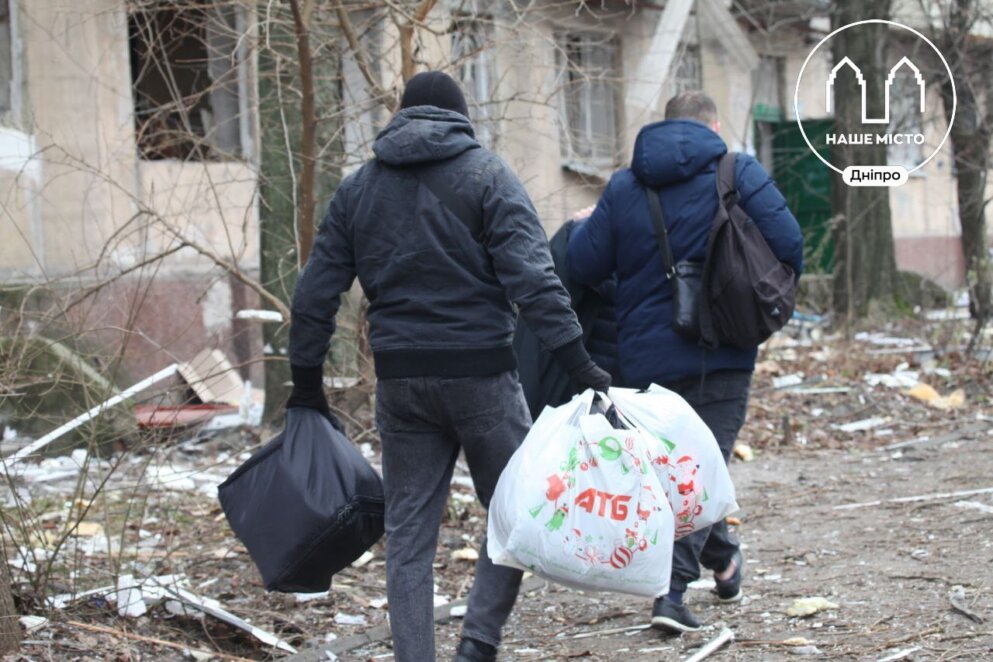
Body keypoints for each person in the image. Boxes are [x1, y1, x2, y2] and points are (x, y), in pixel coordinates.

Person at [286, 71, 610, 662]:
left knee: (409, 538)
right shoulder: (487, 176)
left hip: (401, 383)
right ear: (461, 118)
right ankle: (478, 643)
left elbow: (313, 295)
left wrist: (306, 386)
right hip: (483, 378)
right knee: (514, 518)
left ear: (401, 117)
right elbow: (536, 283)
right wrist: (580, 364)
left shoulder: (358, 189)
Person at [566, 91, 804, 633]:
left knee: (676, 467)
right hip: (725, 348)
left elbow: (583, 264)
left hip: (646, 359)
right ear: (713, 125)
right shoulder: (737, 170)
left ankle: (722, 557)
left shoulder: (626, 185)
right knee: (699, 467)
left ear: (664, 125)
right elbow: (790, 243)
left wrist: (589, 226)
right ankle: (670, 596)